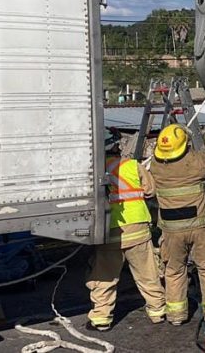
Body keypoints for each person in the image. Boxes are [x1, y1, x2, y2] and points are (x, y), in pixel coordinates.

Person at [85, 137, 166, 331]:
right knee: (147, 272)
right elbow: (150, 190)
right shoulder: (132, 165)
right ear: (116, 146)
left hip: (109, 230)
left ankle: (101, 319)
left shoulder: (92, 170)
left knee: (104, 275)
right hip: (137, 227)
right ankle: (158, 311)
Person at [153, 123, 205, 327]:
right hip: (201, 228)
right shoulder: (197, 162)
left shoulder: (156, 167)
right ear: (185, 146)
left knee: (174, 270)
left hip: (171, 231)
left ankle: (176, 315)